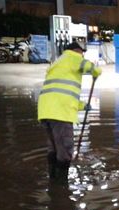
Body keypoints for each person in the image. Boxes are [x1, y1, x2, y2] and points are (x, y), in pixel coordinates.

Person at [38, 42, 102, 184]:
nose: (82, 55)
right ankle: (62, 186)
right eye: (82, 53)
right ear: (77, 51)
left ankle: (52, 179)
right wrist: (97, 71)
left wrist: (82, 106)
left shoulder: (57, 63)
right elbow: (92, 68)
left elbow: (62, 94)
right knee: (66, 149)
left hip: (45, 110)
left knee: (54, 147)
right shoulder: (73, 58)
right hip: (60, 113)